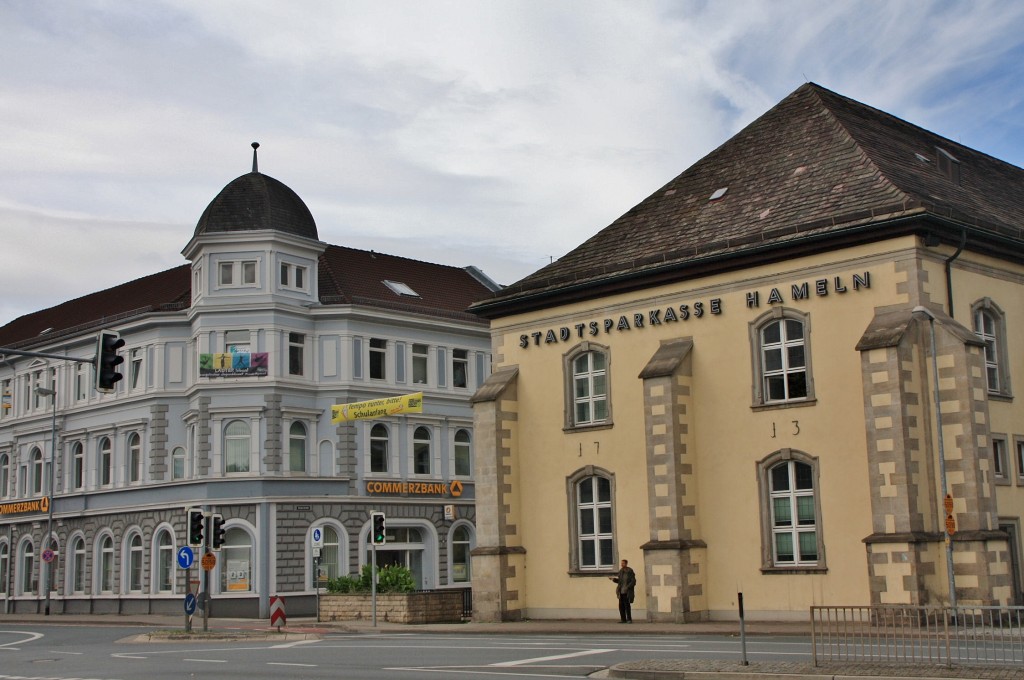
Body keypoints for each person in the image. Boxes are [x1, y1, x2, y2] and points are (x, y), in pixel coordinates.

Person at [610, 558, 636, 623]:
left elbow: (633, 581)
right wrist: (613, 579)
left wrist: (628, 587)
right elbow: (619, 581)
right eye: (621, 563)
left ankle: (629, 619)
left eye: (623, 563)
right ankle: (623, 619)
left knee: (627, 606)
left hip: (627, 592)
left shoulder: (630, 571)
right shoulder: (621, 571)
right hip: (621, 591)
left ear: (626, 564)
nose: (622, 564)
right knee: (621, 606)